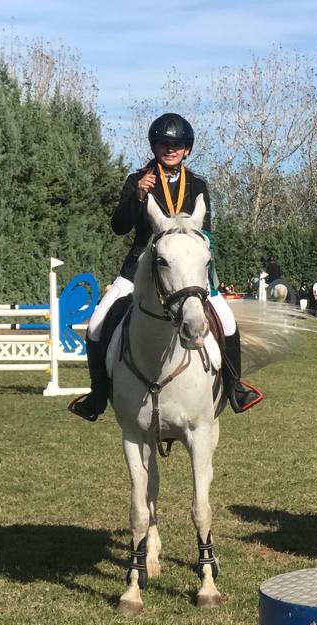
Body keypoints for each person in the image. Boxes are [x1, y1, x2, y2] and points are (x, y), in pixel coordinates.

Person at [69, 112, 263, 421]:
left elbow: (207, 231)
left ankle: (234, 387)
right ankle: (98, 395)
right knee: (96, 325)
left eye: (177, 145)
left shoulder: (198, 185)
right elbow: (119, 226)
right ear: (154, 146)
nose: (170, 149)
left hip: (186, 273)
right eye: (163, 144)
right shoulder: (137, 180)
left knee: (227, 322)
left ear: (187, 149)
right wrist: (138, 195)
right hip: (139, 270)